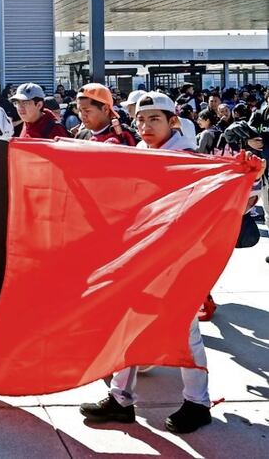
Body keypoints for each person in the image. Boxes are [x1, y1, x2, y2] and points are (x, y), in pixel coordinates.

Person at [80, 92, 212, 435]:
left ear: (173, 121)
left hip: (180, 261)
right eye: (140, 119)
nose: (144, 126)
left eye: (154, 119)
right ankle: (121, 399)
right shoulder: (138, 153)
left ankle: (198, 403)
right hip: (142, 258)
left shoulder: (190, 157)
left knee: (186, 332)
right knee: (127, 324)